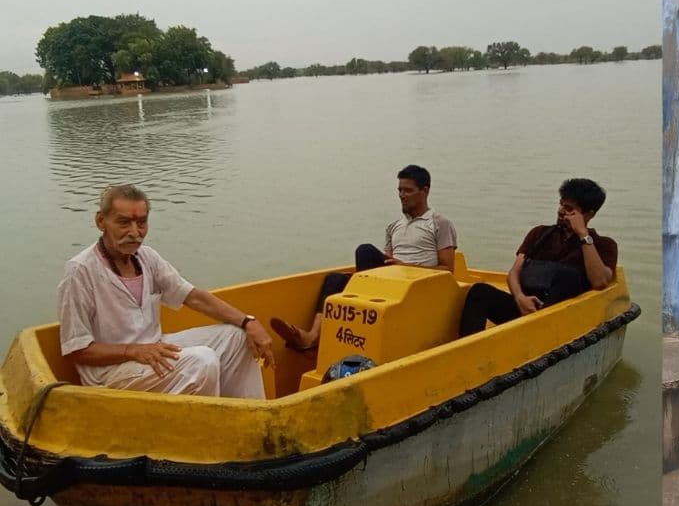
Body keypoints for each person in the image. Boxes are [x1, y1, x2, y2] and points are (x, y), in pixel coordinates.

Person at [57, 184, 274, 399]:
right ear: (101, 221)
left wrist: (248, 322)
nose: (134, 233)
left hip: (154, 351)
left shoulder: (147, 257)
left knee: (238, 337)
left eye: (141, 223)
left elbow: (193, 297)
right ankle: (208, 430)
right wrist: (132, 351)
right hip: (111, 374)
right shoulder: (80, 271)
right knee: (202, 361)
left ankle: (251, 419)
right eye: (124, 223)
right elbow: (77, 350)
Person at [270, 164, 458, 350]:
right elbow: (388, 260)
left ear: (424, 191)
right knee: (334, 279)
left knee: (364, 251)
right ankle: (313, 337)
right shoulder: (394, 226)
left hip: (418, 286)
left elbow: (448, 269)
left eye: (408, 191)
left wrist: (406, 267)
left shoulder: (439, 224)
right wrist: (395, 267)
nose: (402, 195)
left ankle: (362, 305)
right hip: (391, 282)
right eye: (399, 190)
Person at [458, 178, 617, 337]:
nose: (561, 211)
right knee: (480, 291)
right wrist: (520, 298)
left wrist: (583, 234)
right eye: (561, 204)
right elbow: (514, 272)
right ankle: (466, 347)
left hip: (559, 321)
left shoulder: (602, 245)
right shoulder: (539, 234)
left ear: (588, 214)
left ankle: (536, 332)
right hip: (526, 307)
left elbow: (600, 281)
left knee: (567, 275)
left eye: (569, 209)